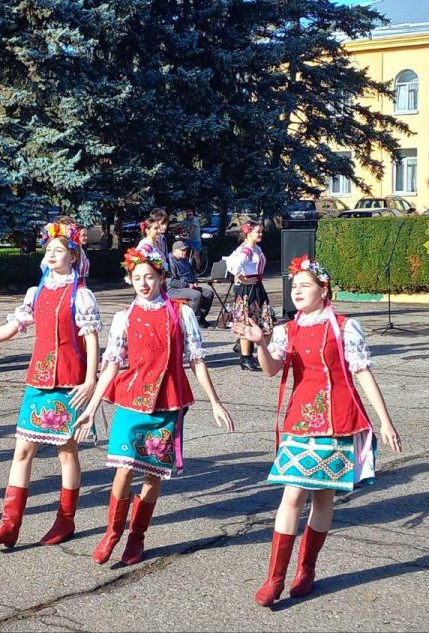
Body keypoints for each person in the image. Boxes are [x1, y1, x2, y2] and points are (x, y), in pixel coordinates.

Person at [234, 255, 402, 607]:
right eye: (294, 286)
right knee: (292, 495)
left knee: (323, 498)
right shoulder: (287, 329)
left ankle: (306, 569)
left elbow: (362, 373)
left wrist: (384, 420)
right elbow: (271, 370)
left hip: (339, 419)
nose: (297, 291)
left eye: (304, 286)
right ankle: (275, 578)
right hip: (300, 422)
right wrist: (262, 343)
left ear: (323, 290)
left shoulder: (344, 327)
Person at [0, 221, 102, 548]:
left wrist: (89, 382)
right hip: (39, 379)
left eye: (59, 250)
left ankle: (65, 521)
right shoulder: (36, 291)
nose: (52, 255)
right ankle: (9, 524)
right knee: (23, 448)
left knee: (66, 452)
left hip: (69, 381)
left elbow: (92, 340)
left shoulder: (81, 295)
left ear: (73, 255)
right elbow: (12, 327)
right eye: (49, 250)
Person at [74, 245, 235, 566]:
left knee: (152, 474)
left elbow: (197, 361)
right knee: (123, 468)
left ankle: (137, 537)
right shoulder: (124, 316)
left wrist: (215, 402)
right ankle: (112, 532)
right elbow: (112, 365)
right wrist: (91, 408)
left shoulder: (181, 313)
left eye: (149, 276)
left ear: (162, 277)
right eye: (137, 278)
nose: (144, 283)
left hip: (167, 403)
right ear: (130, 280)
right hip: (132, 401)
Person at [227, 222, 274, 371]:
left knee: (267, 322)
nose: (260, 234)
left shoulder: (256, 248)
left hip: (258, 287)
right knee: (247, 322)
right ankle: (246, 358)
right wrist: (242, 278)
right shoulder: (246, 249)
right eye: (257, 232)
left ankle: (245, 347)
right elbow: (233, 265)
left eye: (261, 232)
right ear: (248, 233)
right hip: (248, 289)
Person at [166, 240, 215, 327]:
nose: (184, 252)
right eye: (182, 250)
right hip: (174, 290)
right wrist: (188, 285)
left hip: (188, 286)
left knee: (208, 293)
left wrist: (194, 282)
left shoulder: (185, 261)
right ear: (174, 251)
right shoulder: (169, 262)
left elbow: (192, 274)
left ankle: (201, 318)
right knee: (196, 295)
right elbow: (172, 282)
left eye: (185, 250)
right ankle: (193, 321)